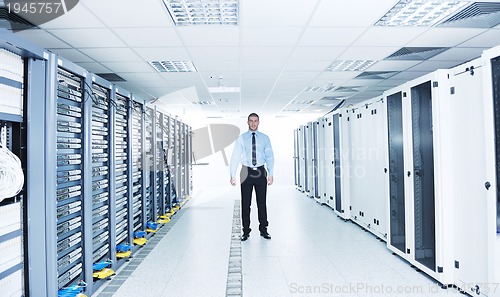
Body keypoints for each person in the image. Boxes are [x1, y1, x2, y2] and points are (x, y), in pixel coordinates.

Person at [230, 113, 274, 241]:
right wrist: (232, 174)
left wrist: (270, 173)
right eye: (251, 121)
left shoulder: (265, 138)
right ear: (247, 122)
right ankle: (246, 231)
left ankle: (263, 230)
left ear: (259, 122)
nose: (253, 123)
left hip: (260, 171)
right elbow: (235, 156)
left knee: (261, 202)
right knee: (246, 203)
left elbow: (270, 157)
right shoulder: (241, 138)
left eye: (255, 121)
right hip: (246, 172)